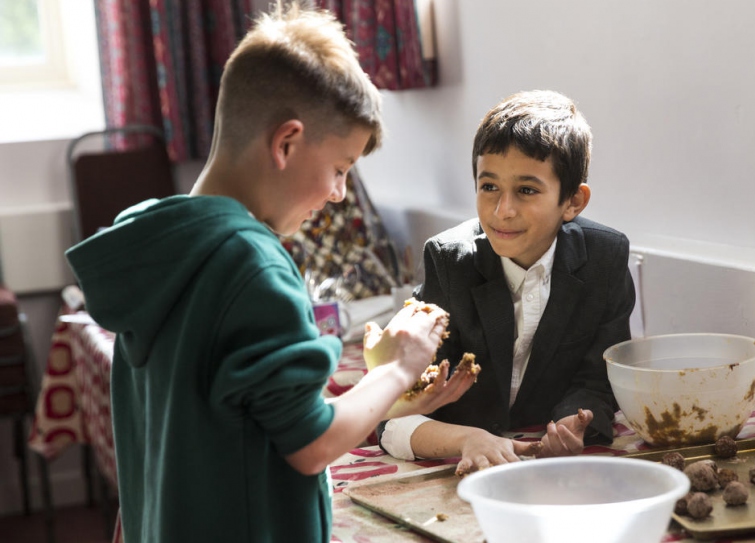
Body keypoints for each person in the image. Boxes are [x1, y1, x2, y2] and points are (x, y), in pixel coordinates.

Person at [64, 3, 475, 542]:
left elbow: (245, 418)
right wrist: (396, 369)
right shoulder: (253, 266)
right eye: (339, 168)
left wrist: (384, 404)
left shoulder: (160, 246)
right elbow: (311, 446)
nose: (338, 194)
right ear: (286, 143)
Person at [379, 90, 636, 475]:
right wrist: (468, 439)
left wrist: (573, 423)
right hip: (462, 453)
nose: (503, 210)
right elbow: (393, 410)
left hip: (542, 468)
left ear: (573, 202)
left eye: (527, 190)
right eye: (489, 187)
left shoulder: (604, 259)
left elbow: (597, 381)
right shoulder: (450, 261)